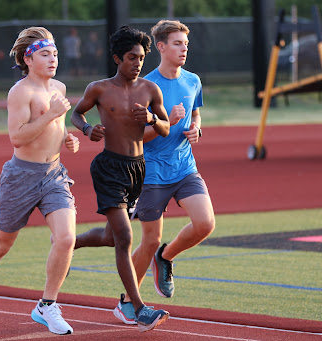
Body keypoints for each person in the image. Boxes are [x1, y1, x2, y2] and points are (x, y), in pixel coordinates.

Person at [0, 26, 80, 337]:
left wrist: (66, 137)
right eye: (45, 53)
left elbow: (54, 129)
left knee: (66, 238)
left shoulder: (60, 87)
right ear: (28, 58)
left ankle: (47, 305)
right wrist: (52, 115)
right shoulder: (20, 92)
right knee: (2, 244)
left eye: (55, 53)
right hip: (21, 177)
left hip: (54, 174)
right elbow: (17, 137)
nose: (53, 59)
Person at [114, 20, 216, 324]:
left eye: (185, 43)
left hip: (185, 168)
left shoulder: (193, 80)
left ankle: (167, 256)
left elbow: (195, 113)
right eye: (177, 43)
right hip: (152, 174)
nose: (184, 49)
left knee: (205, 223)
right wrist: (166, 124)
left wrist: (197, 128)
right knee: (148, 240)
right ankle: (126, 303)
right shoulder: (144, 87)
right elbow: (135, 136)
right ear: (160, 47)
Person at [70, 26, 170, 332]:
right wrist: (88, 130)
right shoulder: (99, 89)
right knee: (126, 238)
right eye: (131, 57)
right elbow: (76, 114)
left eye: (141, 58)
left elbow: (165, 127)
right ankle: (138, 309)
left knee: (112, 236)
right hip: (109, 168)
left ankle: (66, 243)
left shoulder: (151, 90)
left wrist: (152, 119)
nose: (137, 63)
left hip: (137, 169)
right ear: (117, 58)